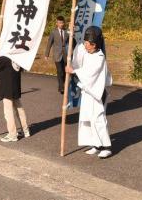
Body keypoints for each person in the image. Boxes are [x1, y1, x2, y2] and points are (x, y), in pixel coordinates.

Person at [65, 26, 112, 159]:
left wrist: (74, 71)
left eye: (87, 43)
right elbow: (78, 51)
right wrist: (72, 35)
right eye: (85, 42)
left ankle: (106, 146)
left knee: (98, 119)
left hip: (97, 93)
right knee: (88, 118)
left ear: (94, 45)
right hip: (88, 93)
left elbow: (90, 74)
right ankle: (96, 144)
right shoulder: (87, 51)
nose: (85, 45)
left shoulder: (99, 57)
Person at [0, 55, 29, 142]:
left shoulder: (4, 58)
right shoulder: (17, 56)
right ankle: (25, 130)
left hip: (7, 87)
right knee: (19, 108)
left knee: (8, 112)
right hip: (15, 86)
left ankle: (12, 134)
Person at [44, 16, 74, 94]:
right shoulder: (53, 32)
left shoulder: (66, 32)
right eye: (59, 23)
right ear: (57, 23)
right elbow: (49, 43)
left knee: (64, 72)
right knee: (60, 71)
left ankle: (61, 85)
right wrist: (46, 54)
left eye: (62, 23)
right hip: (57, 55)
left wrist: (71, 29)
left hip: (65, 55)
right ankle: (61, 88)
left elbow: (71, 40)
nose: (61, 24)